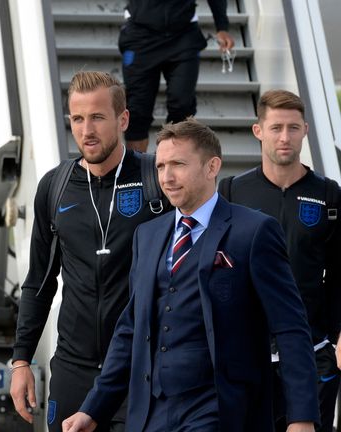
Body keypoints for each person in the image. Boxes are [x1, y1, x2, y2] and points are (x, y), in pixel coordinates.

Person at [62, 119, 320, 432]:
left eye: (178, 165)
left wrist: (302, 417)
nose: (167, 178)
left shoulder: (253, 232)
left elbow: (291, 328)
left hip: (220, 410)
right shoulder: (147, 235)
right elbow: (131, 329)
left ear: (212, 167)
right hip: (151, 413)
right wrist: (93, 408)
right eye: (160, 167)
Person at [10, 71, 168, 432]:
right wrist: (21, 360)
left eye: (97, 117)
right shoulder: (56, 186)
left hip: (140, 368)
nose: (86, 130)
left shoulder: (156, 180)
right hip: (72, 369)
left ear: (123, 119)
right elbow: (39, 282)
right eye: (77, 119)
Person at [218, 89, 340, 432]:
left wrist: (337, 334)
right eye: (275, 128)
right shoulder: (232, 192)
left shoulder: (328, 194)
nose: (284, 137)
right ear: (258, 131)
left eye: (292, 128)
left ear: (305, 131)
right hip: (248, 354)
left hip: (312, 350)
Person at [120, 0, 234, 152]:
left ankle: (171, 166)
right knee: (137, 111)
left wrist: (222, 27)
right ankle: (136, 171)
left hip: (183, 35)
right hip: (140, 34)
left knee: (183, 105)